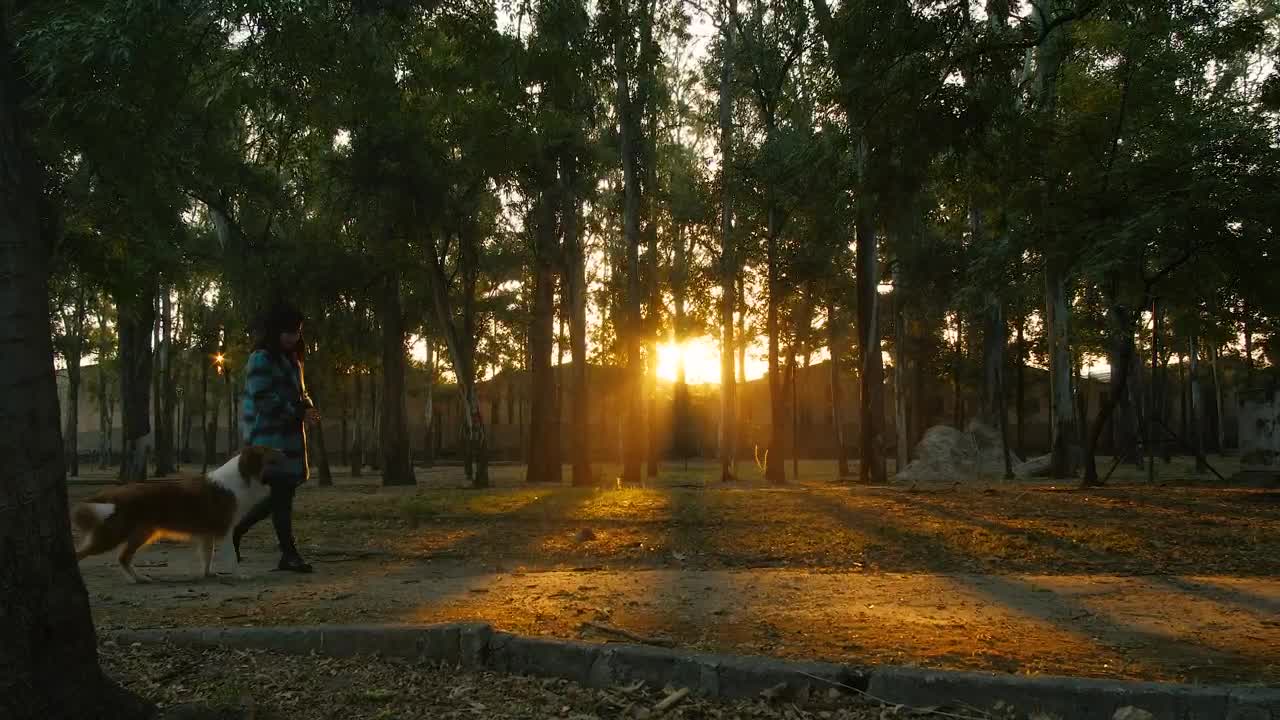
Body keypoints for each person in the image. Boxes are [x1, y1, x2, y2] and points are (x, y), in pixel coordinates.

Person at [233, 301, 321, 573]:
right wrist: (296, 412)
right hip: (268, 438)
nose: (294, 337)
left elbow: (299, 392)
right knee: (282, 494)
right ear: (275, 331)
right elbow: (263, 398)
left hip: (291, 437)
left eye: (297, 332)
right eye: (288, 332)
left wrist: (308, 408)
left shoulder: (293, 358)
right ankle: (288, 553)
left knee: (282, 495)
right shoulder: (261, 358)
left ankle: (235, 531)